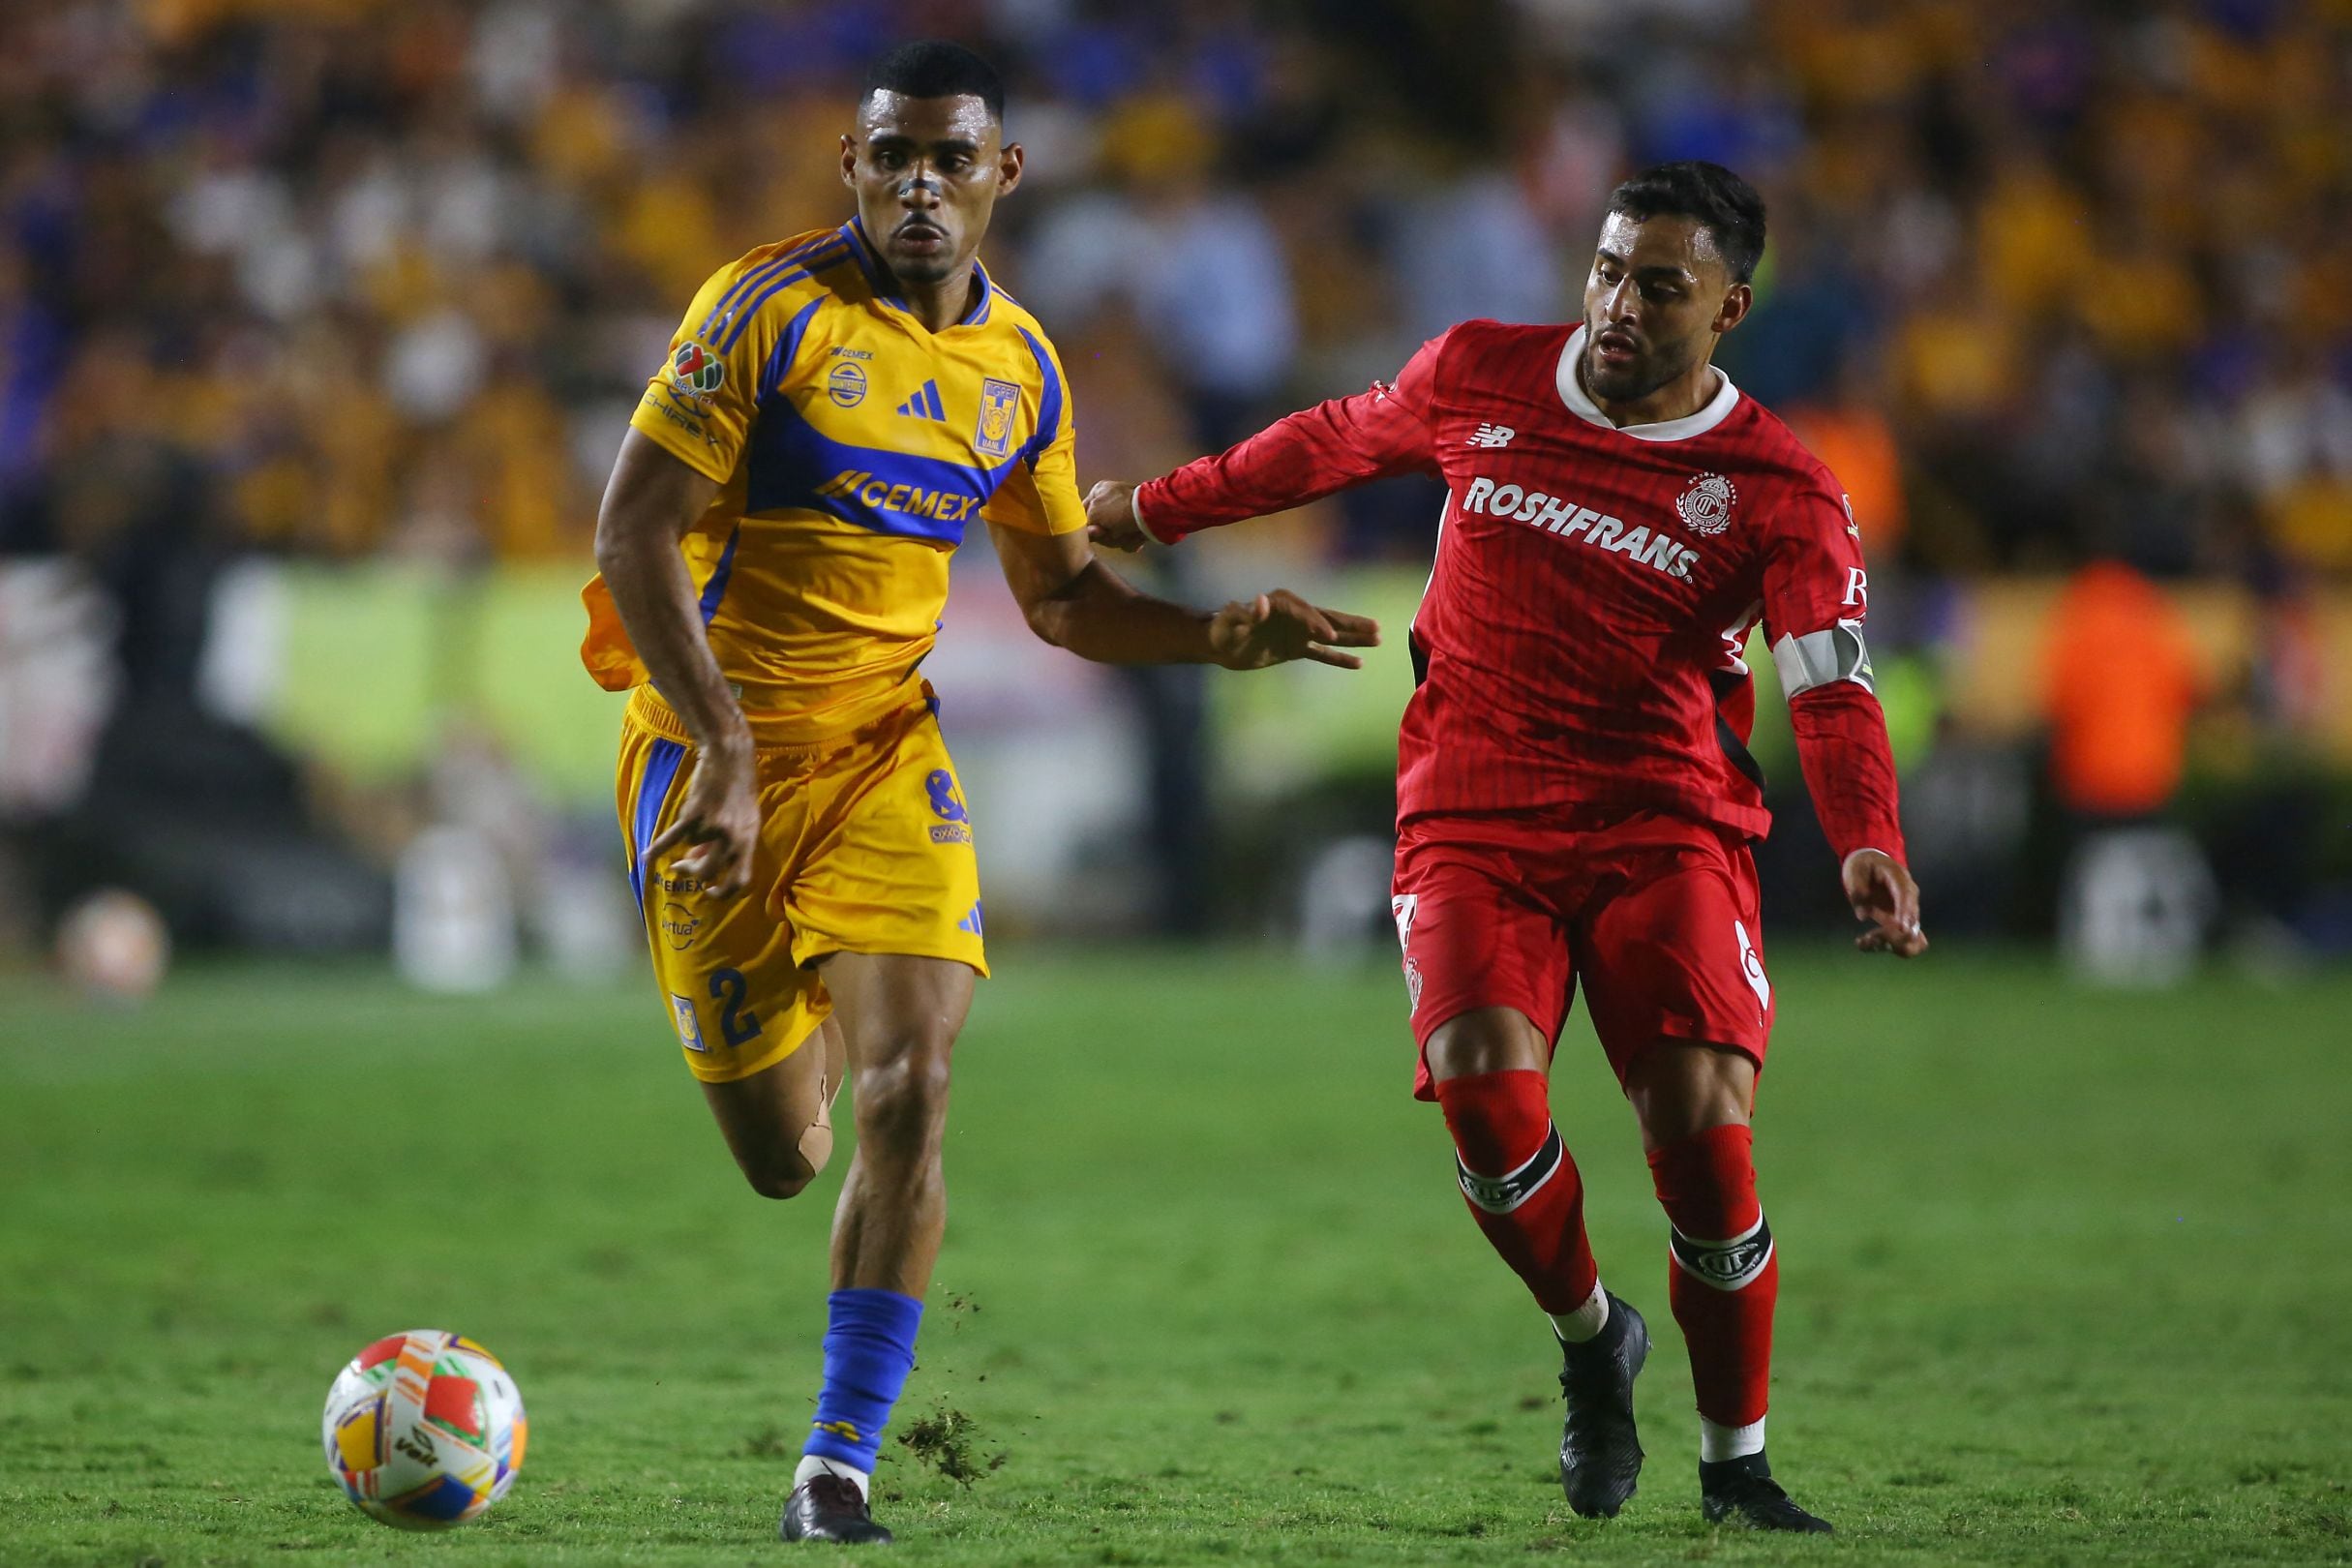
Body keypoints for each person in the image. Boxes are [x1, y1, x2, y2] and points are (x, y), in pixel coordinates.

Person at [581, 42, 1375, 1546]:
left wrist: (1212, 635)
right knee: (779, 1158)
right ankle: (809, 980)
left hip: (885, 752)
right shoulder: (763, 312)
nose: (921, 185)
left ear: (1005, 174)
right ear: (853, 169)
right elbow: (632, 534)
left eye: (952, 158)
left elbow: (1063, 597)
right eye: (892, 157)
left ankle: (835, 1466)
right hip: (707, 758)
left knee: (913, 1091)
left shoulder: (1023, 370)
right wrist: (729, 754)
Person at [1087, 161, 1926, 1534]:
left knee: (1705, 1146)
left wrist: (1867, 839)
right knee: (1485, 1105)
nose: (1616, 303)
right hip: (1471, 805)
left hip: (1666, 824)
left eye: (1661, 285)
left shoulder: (1776, 487)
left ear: (1729, 310)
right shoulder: (1480, 370)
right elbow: (1324, 441)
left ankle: (1736, 1467)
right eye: (1605, 267)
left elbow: (1829, 683)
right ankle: (1593, 1338)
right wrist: (1153, 509)